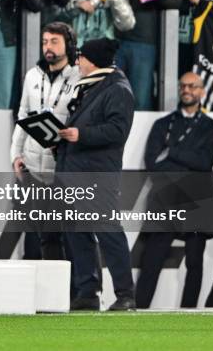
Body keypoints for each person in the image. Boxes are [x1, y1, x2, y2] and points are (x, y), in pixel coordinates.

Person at [56, 37, 136, 311]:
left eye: (82, 57)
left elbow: (118, 131)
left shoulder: (118, 89)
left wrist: (82, 134)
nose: (78, 62)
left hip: (98, 174)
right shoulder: (93, 87)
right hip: (75, 172)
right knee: (78, 234)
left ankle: (125, 294)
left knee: (108, 232)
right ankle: (88, 291)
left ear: (94, 60)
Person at [136, 72, 213, 308]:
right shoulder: (162, 124)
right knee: (151, 260)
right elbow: (153, 163)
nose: (186, 90)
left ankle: (189, 313)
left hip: (197, 201)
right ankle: (138, 310)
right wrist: (187, 160)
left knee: (195, 263)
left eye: (192, 86)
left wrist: (171, 151)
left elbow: (205, 163)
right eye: (183, 85)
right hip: (165, 200)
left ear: (202, 91)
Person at [9, 22, 80, 259]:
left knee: (60, 241)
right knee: (32, 238)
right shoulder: (32, 75)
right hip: (32, 171)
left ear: (68, 45)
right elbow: (22, 117)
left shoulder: (79, 77)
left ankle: (65, 294)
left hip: (61, 172)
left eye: (54, 41)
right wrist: (15, 155)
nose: (47, 47)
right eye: (44, 42)